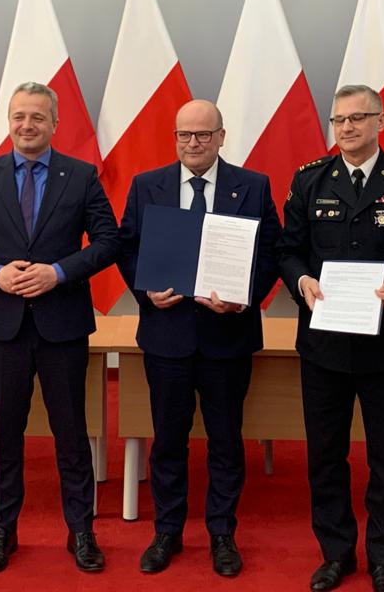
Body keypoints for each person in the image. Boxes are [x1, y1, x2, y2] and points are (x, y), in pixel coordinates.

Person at [277, 84, 384, 592]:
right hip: (324, 345)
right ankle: (335, 554)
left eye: (358, 118)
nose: (347, 127)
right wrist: (301, 281)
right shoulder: (309, 180)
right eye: (339, 120)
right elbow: (287, 251)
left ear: (381, 121)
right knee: (325, 455)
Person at [0, 81, 119, 575]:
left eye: (37, 117)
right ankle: (2, 529)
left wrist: (58, 272)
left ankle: (81, 530)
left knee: (72, 433)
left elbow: (108, 241)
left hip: (62, 324)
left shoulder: (81, 175)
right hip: (3, 325)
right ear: (9, 121)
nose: (27, 125)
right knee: (4, 434)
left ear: (54, 124)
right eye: (19, 116)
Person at [117, 99, 281, 577]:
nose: (193, 143)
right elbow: (127, 248)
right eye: (184, 134)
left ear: (221, 137)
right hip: (167, 336)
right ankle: (167, 531)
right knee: (168, 441)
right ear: (175, 138)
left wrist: (243, 298)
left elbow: (272, 252)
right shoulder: (147, 186)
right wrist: (146, 291)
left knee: (226, 441)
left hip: (227, 336)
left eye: (203, 134)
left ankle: (223, 534)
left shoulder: (253, 186)